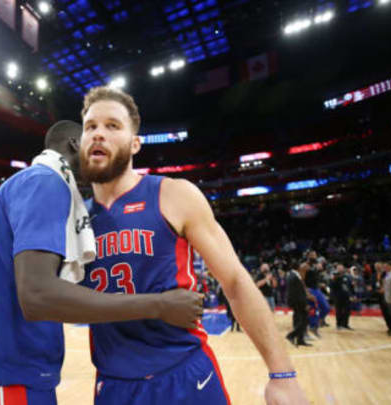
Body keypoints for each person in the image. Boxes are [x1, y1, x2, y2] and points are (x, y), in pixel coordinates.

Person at [77, 86, 307, 404]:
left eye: (112, 126)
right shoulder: (74, 219)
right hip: (113, 388)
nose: (98, 134)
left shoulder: (174, 194)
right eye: (91, 126)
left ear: (135, 144)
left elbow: (236, 280)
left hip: (184, 378)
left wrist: (282, 375)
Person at [0, 121, 203, 405]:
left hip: (14, 372)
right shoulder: (46, 182)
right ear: (76, 144)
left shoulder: (39, 183)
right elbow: (37, 295)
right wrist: (160, 305)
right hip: (7, 376)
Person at [286, 263, 311, 347]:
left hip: (296, 302)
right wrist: (305, 304)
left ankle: (300, 340)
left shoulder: (292, 275)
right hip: (298, 302)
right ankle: (291, 335)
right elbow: (298, 293)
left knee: (298, 321)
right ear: (299, 267)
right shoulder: (294, 277)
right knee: (304, 321)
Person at [330, 263, 354, 330]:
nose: (340, 269)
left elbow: (351, 287)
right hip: (338, 296)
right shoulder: (334, 276)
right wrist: (334, 279)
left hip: (347, 296)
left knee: (347, 311)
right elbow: (331, 286)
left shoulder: (347, 277)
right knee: (339, 311)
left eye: (341, 268)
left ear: (343, 269)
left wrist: (352, 295)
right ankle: (339, 324)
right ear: (337, 269)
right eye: (339, 268)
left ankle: (345, 324)